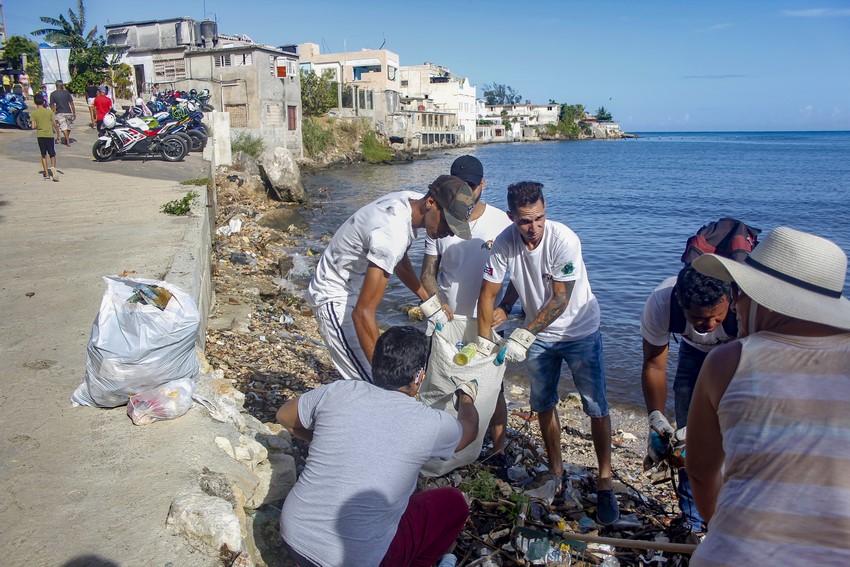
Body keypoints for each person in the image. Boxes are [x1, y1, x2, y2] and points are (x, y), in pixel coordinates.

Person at [686, 226, 850, 566]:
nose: (735, 307)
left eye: (740, 293)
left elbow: (700, 471)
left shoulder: (729, 361)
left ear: (763, 298)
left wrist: (720, 525)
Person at [476, 181, 619, 524]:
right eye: (525, 221)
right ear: (511, 217)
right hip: (537, 333)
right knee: (542, 402)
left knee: (595, 405)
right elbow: (490, 291)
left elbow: (559, 299)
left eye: (540, 217)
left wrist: (523, 333)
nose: (534, 227)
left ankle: (605, 479)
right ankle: (556, 470)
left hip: (578, 330)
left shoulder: (563, 239)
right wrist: (499, 318)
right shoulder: (504, 244)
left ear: (545, 210)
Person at [277, 325, 479, 567]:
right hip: (351, 559)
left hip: (294, 534)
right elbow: (469, 429)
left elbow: (285, 416)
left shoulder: (340, 391)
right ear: (419, 377)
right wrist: (466, 397)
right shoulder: (429, 423)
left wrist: (326, 441)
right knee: (454, 503)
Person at [306, 175, 474, 382]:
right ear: (431, 202)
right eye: (448, 223)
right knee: (373, 382)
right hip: (334, 296)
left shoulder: (409, 201)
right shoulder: (392, 232)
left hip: (353, 290)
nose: (449, 233)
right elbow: (361, 314)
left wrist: (429, 300)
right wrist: (386, 379)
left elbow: (398, 258)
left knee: (379, 383)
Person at [420, 155, 513, 458]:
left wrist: (508, 307)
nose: (468, 191)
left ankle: (497, 451)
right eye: (462, 186)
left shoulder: (501, 222)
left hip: (487, 322)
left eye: (473, 186)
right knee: (442, 382)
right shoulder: (441, 220)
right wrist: (437, 303)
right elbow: (428, 272)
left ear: (483, 185)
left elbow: (520, 275)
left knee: (493, 389)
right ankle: (446, 445)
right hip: (446, 322)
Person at [639, 264, 735, 534]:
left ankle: (731, 515)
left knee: (735, 437)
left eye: (717, 317)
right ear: (681, 303)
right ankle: (693, 519)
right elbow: (654, 365)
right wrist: (655, 418)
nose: (709, 325)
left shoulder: (746, 306)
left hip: (742, 354)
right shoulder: (662, 302)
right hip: (694, 354)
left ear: (729, 299)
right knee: (685, 444)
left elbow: (761, 369)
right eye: (698, 318)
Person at [30, 93, 61, 183]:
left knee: (43, 155)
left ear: (35, 102)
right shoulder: (49, 112)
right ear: (44, 102)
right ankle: (53, 168)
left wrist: (38, 126)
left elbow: (33, 126)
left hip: (40, 135)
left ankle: (46, 174)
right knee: (52, 154)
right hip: (49, 135)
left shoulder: (34, 113)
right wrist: (58, 134)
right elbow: (55, 124)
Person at [49, 80, 76, 146]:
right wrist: (74, 112)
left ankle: (67, 139)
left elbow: (52, 105)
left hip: (59, 112)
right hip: (68, 111)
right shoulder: (67, 93)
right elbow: (71, 103)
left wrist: (53, 112)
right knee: (68, 127)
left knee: (63, 127)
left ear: (56, 86)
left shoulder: (53, 94)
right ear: (62, 86)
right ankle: (67, 139)